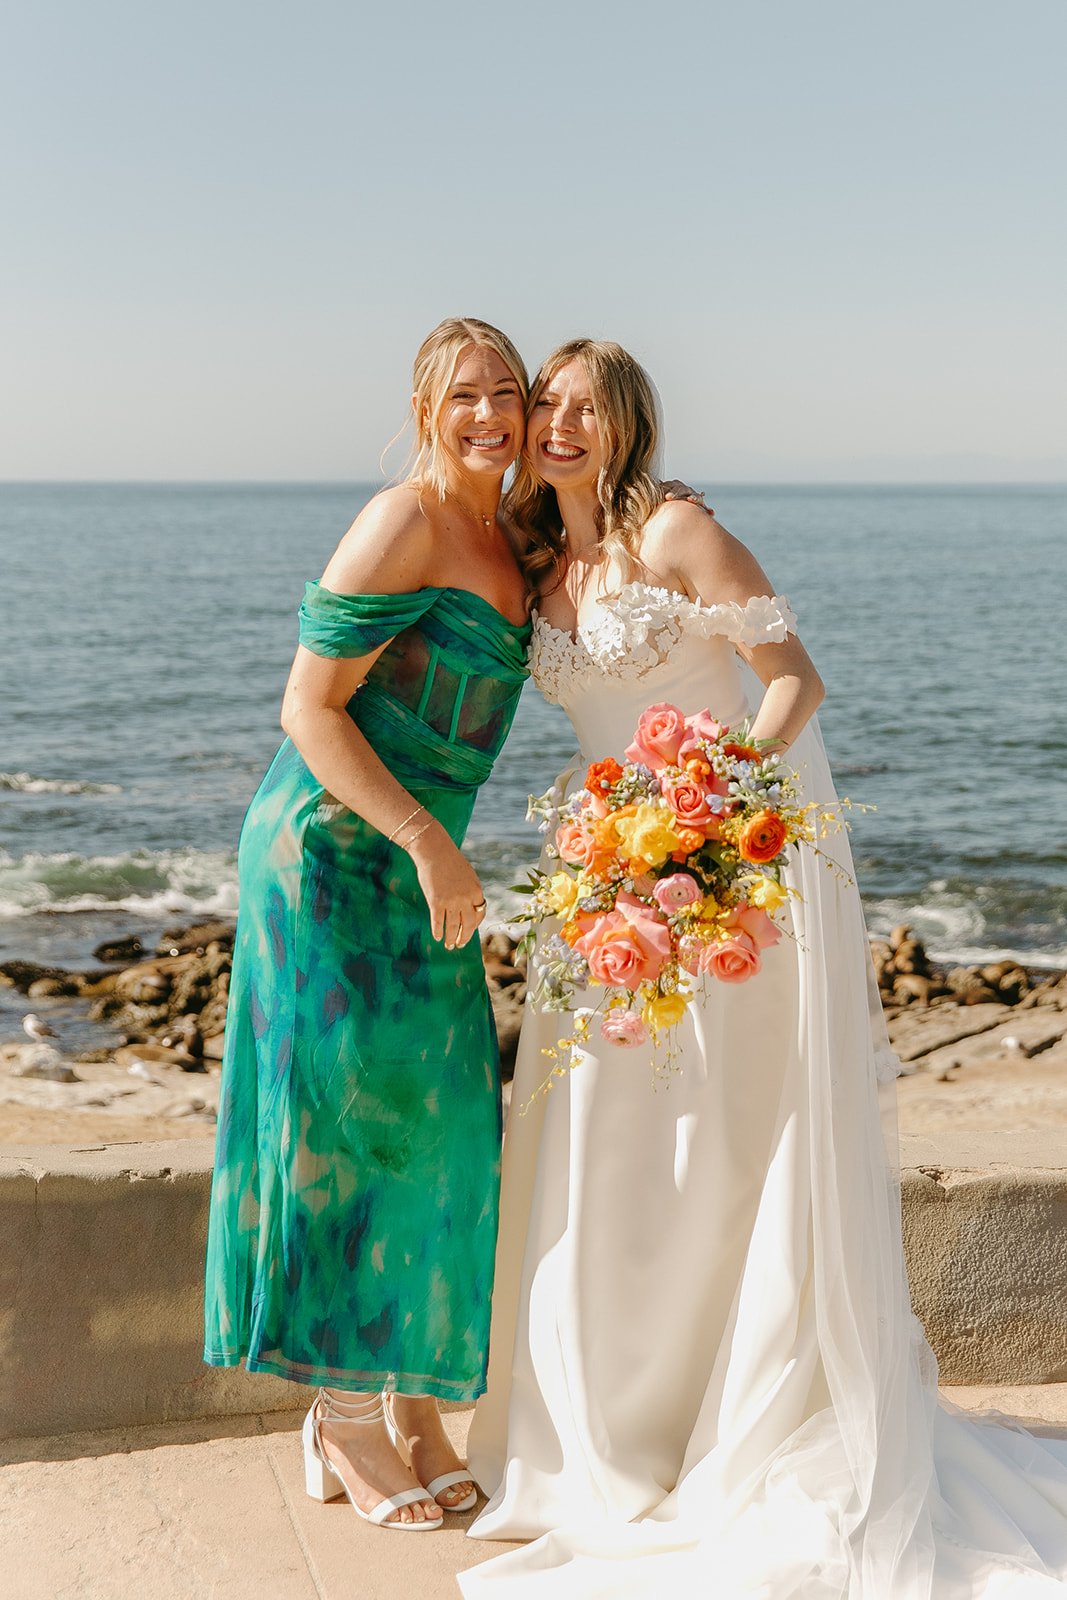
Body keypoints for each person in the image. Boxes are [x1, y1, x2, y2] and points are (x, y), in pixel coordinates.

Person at [462, 339, 1067, 1594]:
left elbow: (793, 682)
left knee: (713, 1141)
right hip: (596, 864)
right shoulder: (535, 558)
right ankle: (595, 1439)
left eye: (586, 408)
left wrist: (705, 805)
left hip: (718, 858)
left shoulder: (677, 533)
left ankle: (723, 1422)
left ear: (625, 424)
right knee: (591, 1133)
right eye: (549, 407)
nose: (561, 426)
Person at [203, 316, 534, 1530]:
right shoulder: (400, 520)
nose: (489, 412)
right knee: (339, 1122)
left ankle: (412, 1408)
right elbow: (307, 704)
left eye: (507, 389)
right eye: (464, 393)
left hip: (414, 856)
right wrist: (424, 838)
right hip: (334, 851)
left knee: (438, 1127)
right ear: (421, 405)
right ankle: (337, 1423)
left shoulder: (518, 532)